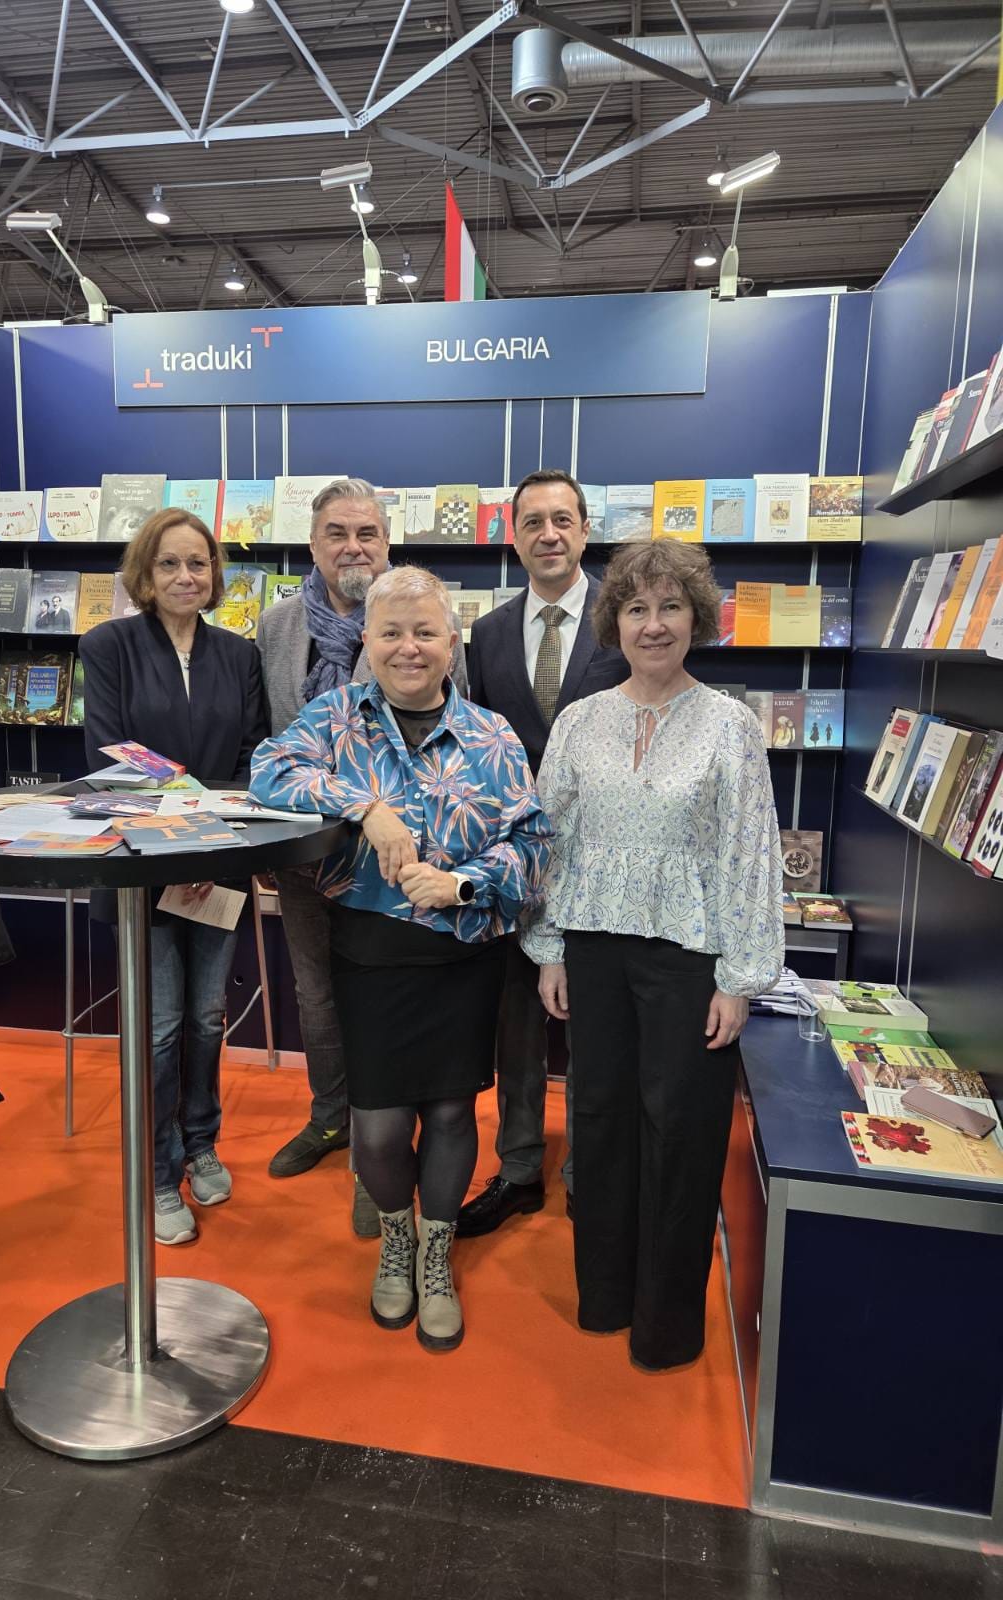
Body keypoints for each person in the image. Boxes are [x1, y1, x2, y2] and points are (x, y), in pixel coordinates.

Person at [250, 566, 549, 1350]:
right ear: (368, 641)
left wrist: (462, 883)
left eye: (424, 632)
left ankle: (435, 1252)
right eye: (391, 632)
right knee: (378, 1127)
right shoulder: (336, 718)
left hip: (463, 952)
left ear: (452, 642)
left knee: (451, 1112)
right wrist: (366, 807)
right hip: (370, 950)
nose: (408, 648)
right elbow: (268, 772)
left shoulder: (492, 735)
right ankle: (396, 1234)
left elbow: (533, 842)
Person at [523, 539, 783, 1371]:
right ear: (616, 623)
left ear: (696, 618)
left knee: (683, 1132)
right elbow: (550, 838)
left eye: (671, 607)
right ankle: (603, 1296)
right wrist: (549, 948)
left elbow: (750, 852)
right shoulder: (579, 720)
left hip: (689, 958)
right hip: (593, 947)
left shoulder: (730, 726)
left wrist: (740, 978)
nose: (654, 624)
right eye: (637, 608)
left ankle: (665, 1326)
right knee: (599, 1121)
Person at [256, 478, 468, 1236]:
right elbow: (270, 742)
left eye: (368, 533)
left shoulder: (425, 622)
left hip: (399, 870)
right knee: (317, 998)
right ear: (313, 544)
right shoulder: (277, 626)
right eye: (337, 533)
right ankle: (331, 1119)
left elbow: (453, 734)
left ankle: (377, 1164)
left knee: (391, 1003)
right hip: (309, 858)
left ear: (387, 542)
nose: (353, 547)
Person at [80, 507, 269, 1247]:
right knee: (158, 1028)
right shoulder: (109, 646)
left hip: (218, 863)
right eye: (170, 564)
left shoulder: (239, 655)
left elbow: (253, 755)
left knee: (206, 1018)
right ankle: (158, 1174)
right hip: (144, 866)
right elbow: (113, 758)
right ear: (145, 574)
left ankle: (201, 1143)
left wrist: (208, 848)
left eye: (198, 563)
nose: (186, 576)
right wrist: (181, 845)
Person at [458, 468, 628, 1240]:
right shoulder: (489, 633)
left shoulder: (624, 619)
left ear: (585, 530)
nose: (549, 534)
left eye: (563, 520)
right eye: (533, 522)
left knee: (596, 1023)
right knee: (517, 1023)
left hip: (604, 860)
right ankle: (519, 1167)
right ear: (514, 536)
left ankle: (591, 1171)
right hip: (515, 864)